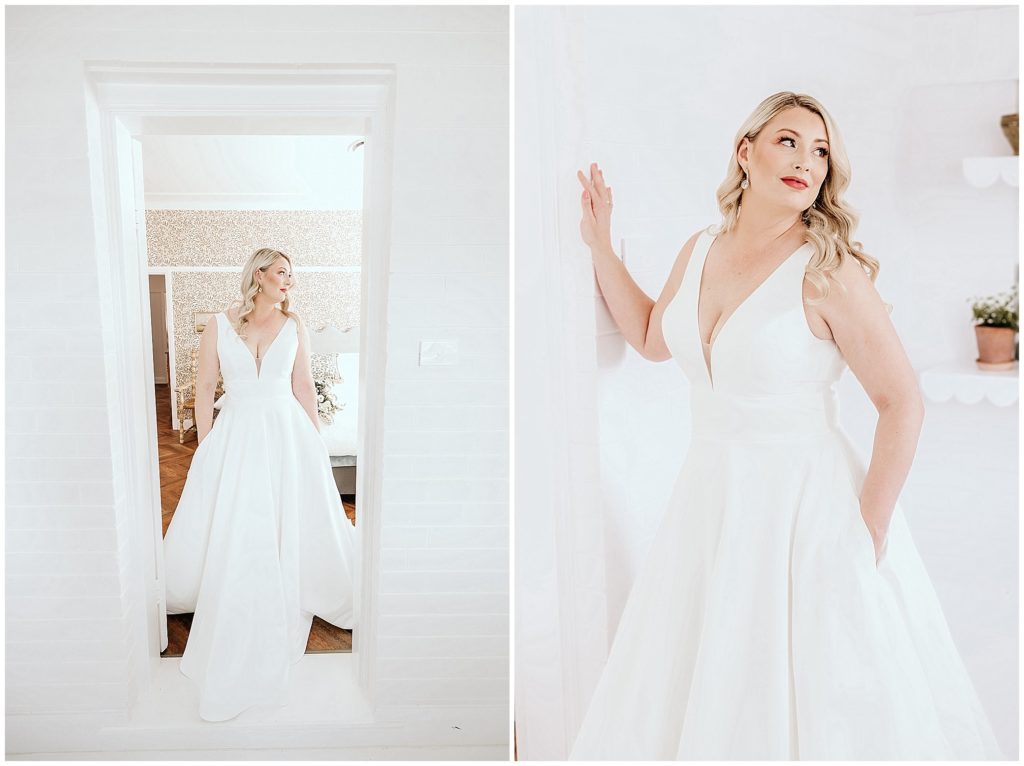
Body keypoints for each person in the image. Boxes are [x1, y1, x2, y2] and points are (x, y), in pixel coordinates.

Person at [570, 92, 1003, 759]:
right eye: (789, 142)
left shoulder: (829, 271)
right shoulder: (701, 246)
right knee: (710, 681)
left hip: (806, 508)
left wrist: (867, 529)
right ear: (746, 152)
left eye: (821, 151)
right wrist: (600, 246)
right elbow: (655, 336)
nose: (807, 161)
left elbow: (902, 401)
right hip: (710, 501)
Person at [162, 247, 357, 722]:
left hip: (285, 432)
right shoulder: (219, 323)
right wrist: (205, 446)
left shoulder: (296, 325)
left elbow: (304, 386)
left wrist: (314, 440)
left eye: (291, 274)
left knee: (285, 508)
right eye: (281, 273)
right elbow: (206, 387)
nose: (289, 281)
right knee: (236, 512)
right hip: (235, 433)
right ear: (259, 276)